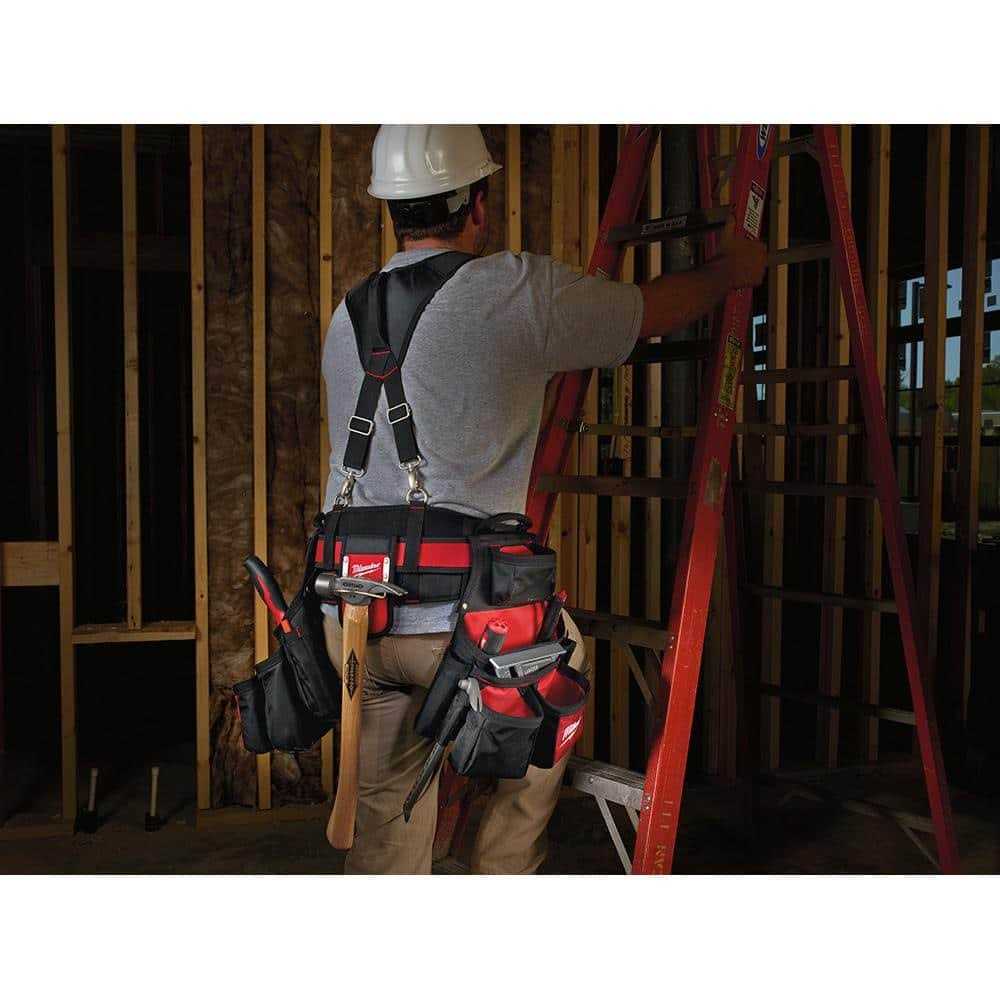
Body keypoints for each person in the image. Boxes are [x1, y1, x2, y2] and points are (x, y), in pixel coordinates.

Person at [321, 124, 766, 874]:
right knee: (557, 672)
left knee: (384, 823)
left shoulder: (349, 314)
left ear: (393, 208)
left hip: (357, 621)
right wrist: (731, 271)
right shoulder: (511, 291)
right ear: (478, 205)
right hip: (466, 628)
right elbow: (649, 313)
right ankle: (502, 874)